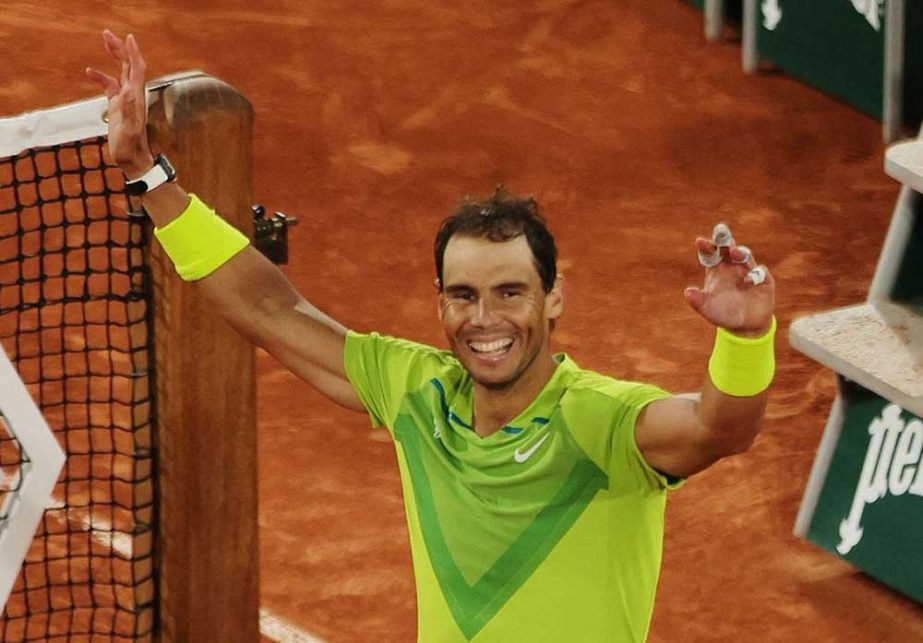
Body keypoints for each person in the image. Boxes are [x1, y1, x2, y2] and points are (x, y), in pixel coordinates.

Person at [87, 30, 776, 643]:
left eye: (510, 292)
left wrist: (744, 340)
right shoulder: (414, 390)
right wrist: (149, 177)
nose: (485, 319)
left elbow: (719, 430)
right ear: (439, 304)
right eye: (464, 295)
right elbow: (271, 308)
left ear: (554, 297)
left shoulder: (598, 421)